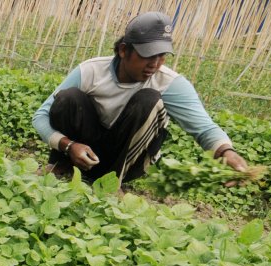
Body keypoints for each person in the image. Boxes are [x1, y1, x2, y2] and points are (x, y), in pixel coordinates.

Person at [33, 11, 252, 183]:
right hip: (83, 150)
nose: (155, 64)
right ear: (123, 50)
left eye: (162, 56)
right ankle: (63, 166)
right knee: (68, 97)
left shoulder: (169, 83)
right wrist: (69, 146)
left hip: (129, 159)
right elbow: (41, 116)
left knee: (148, 99)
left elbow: (203, 128)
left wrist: (227, 152)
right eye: (147, 55)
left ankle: (113, 181)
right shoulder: (91, 71)